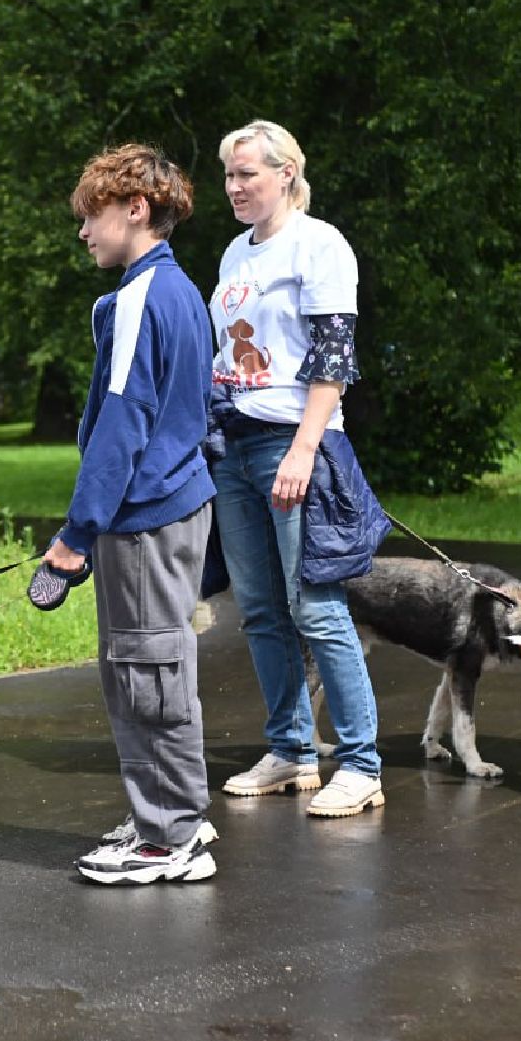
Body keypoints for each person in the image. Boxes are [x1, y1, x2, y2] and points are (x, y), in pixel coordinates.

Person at [44, 144, 219, 885]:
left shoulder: (146, 298)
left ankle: (171, 836)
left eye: (92, 216)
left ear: (135, 210)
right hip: (153, 514)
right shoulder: (174, 292)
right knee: (140, 669)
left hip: (144, 520)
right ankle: (163, 815)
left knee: (149, 672)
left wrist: (74, 536)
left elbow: (123, 423)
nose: (84, 232)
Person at [208, 120, 389, 818]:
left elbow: (333, 356)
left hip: (296, 442)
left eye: (247, 173)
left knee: (315, 606)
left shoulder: (320, 245)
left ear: (287, 172)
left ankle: (362, 763)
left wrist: (305, 448)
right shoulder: (233, 253)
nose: (234, 187)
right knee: (257, 609)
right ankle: (291, 749)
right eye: (229, 175)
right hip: (237, 445)